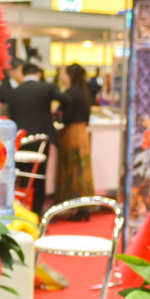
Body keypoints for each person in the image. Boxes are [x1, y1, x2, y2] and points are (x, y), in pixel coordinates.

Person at [7, 61, 58, 213]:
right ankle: (36, 211)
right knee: (39, 177)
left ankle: (15, 208)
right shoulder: (46, 88)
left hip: (20, 141)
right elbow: (67, 99)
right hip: (40, 141)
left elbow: (11, 118)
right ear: (38, 74)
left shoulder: (15, 92)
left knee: (15, 176)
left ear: (23, 74)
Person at [54, 62, 95, 203]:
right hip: (83, 133)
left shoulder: (70, 93)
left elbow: (64, 115)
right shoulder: (84, 91)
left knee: (72, 169)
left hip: (71, 133)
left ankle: (73, 203)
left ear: (70, 75)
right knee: (82, 168)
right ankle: (84, 204)